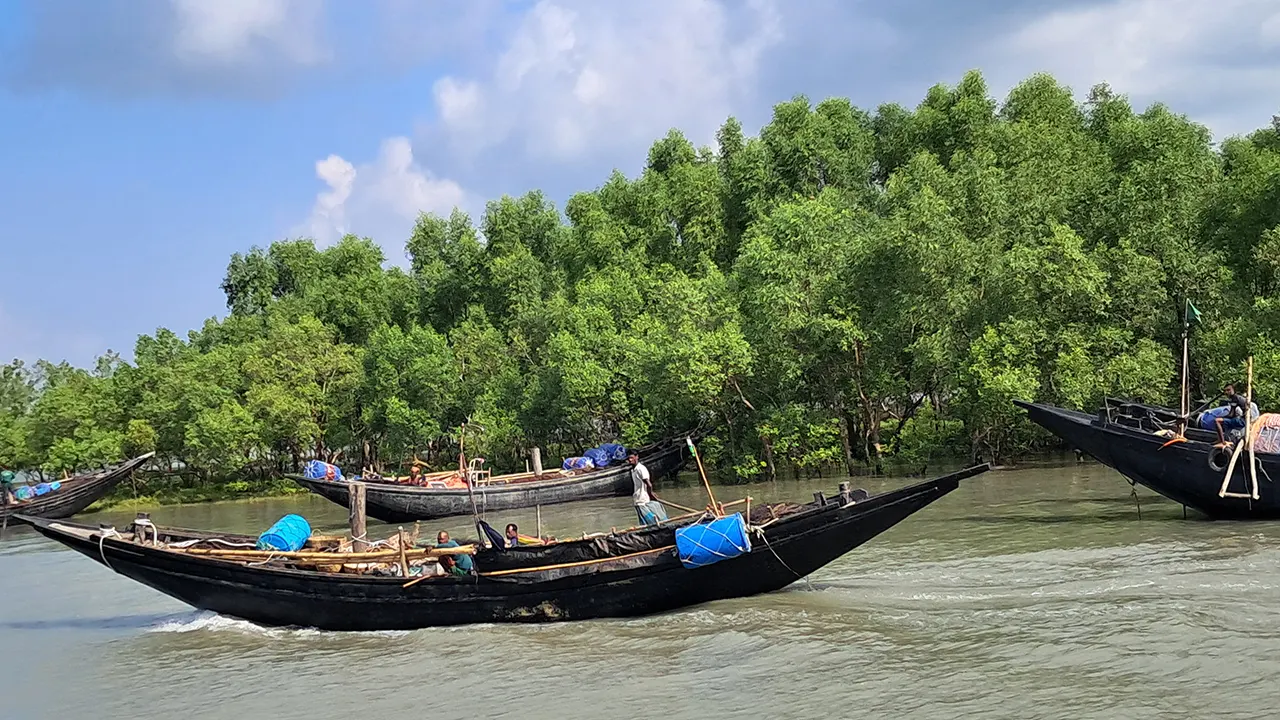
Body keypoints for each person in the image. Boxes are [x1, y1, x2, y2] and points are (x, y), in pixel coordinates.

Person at [628, 452, 667, 526]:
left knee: (651, 521)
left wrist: (650, 493)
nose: (630, 460)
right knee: (645, 522)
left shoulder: (640, 469)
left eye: (632, 458)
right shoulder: (633, 470)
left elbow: (648, 484)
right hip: (638, 499)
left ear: (637, 457)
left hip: (643, 500)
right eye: (629, 458)